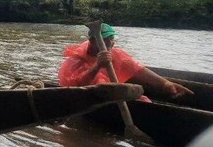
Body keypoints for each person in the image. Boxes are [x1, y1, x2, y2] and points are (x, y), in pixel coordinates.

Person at [58, 23, 193, 100]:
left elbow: (138, 70)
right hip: (90, 98)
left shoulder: (116, 54)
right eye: (105, 39)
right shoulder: (76, 60)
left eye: (111, 38)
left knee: (143, 99)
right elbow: (74, 87)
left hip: (112, 96)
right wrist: (97, 66)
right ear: (92, 42)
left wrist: (165, 83)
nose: (110, 42)